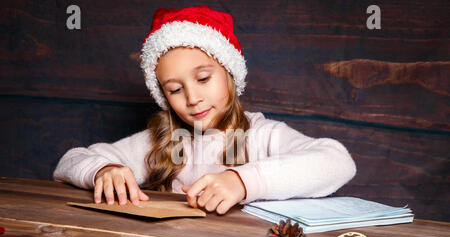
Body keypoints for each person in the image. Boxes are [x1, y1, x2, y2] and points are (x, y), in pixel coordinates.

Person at [53, 4, 357, 215]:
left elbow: (337, 162)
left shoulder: (261, 136)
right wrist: (103, 171)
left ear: (230, 74)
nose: (193, 97)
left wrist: (243, 181)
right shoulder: (167, 142)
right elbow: (70, 160)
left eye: (203, 78)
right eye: (175, 89)